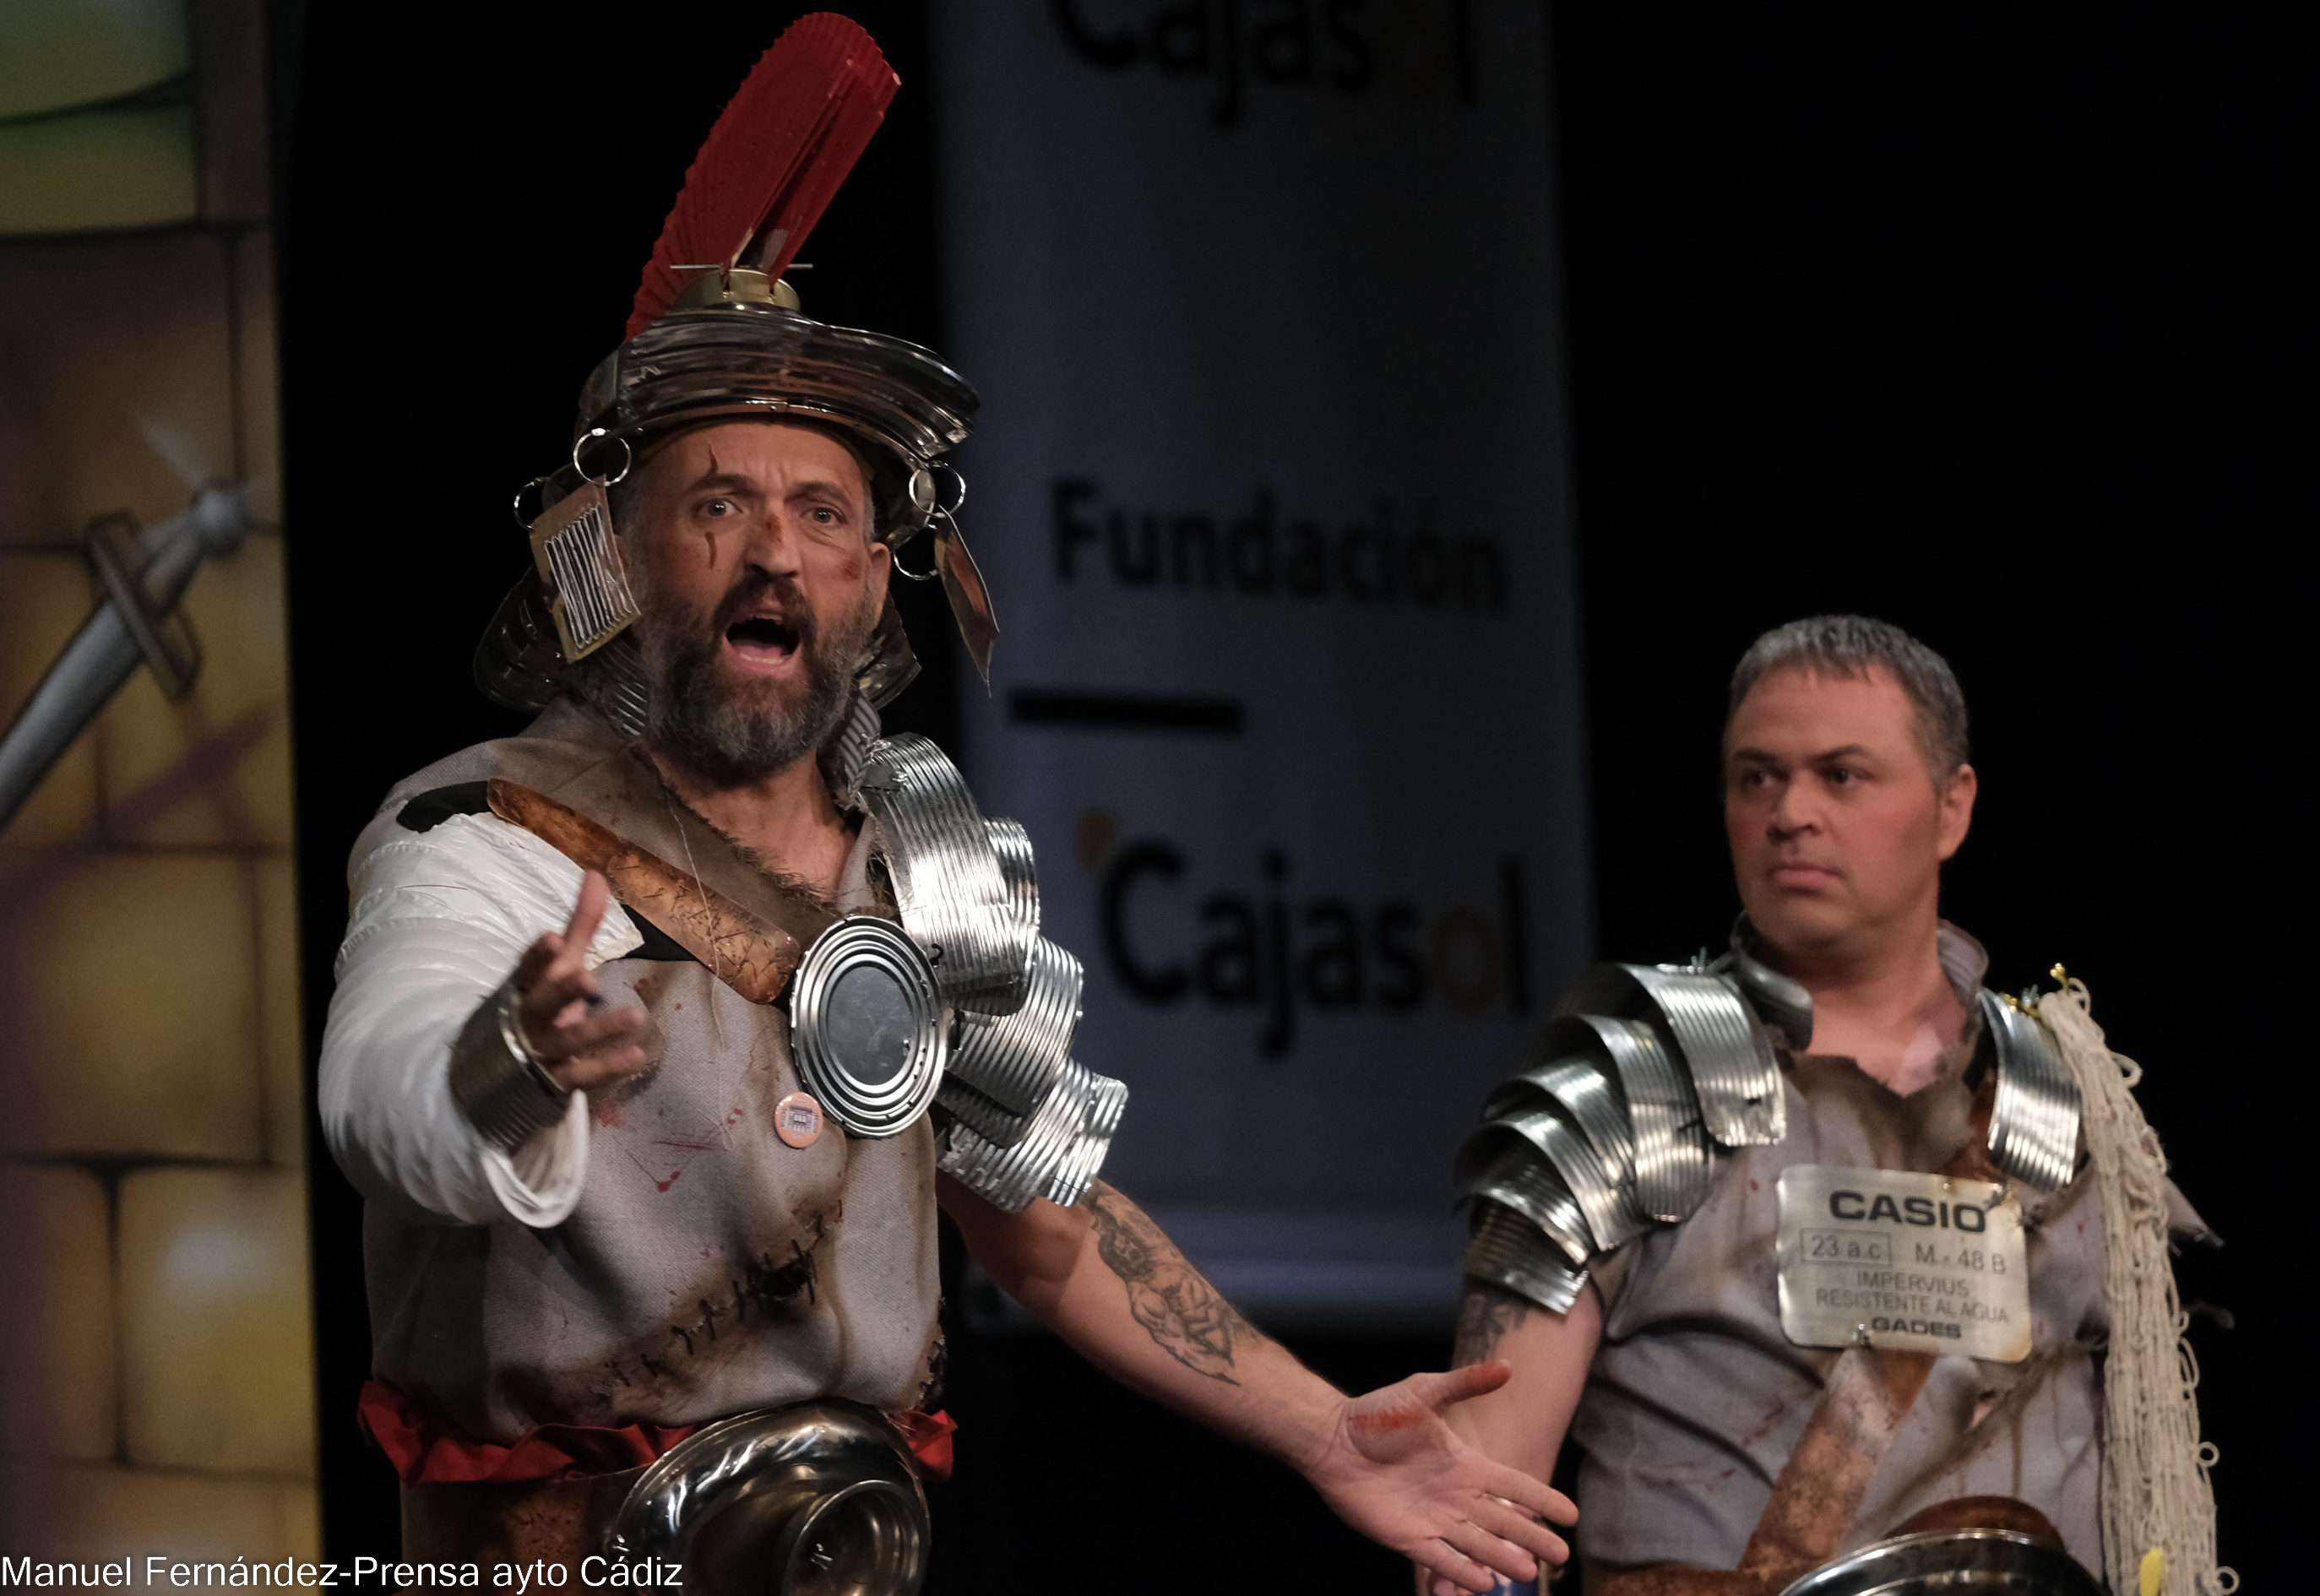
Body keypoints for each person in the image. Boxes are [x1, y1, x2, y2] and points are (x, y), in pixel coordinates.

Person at [318, 17, 1570, 1594]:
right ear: (622, 561)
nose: (774, 549)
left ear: (868, 577)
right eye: (718, 504)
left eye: (821, 512)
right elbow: (382, 1085)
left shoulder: (932, 859)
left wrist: (1324, 1429)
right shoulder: (486, 834)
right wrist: (510, 1061)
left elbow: (1044, 1222)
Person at [1432, 616, 2225, 1596]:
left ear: (1951, 807)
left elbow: (2141, 1466)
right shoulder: (1625, 1094)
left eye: (1842, 775)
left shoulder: (2071, 1108)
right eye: (1757, 776)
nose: (1790, 812)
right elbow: (1472, 1518)